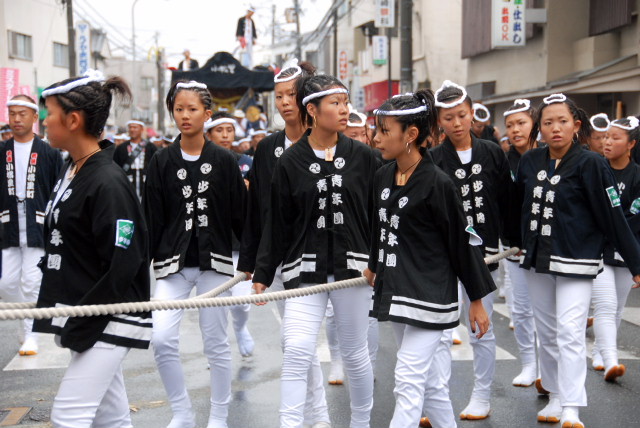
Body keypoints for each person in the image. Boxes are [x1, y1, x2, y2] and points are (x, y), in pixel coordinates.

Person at [252, 74, 377, 428]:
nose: (344, 109)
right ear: (312, 110)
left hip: (354, 271)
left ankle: (361, 423)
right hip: (303, 272)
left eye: (345, 102)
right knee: (296, 349)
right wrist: (263, 272)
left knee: (355, 354)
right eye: (335, 103)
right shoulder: (290, 162)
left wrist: (378, 262)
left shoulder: (364, 158)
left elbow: (378, 215)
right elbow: (277, 222)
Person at [365, 89, 494, 428]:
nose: (376, 139)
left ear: (410, 135)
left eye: (384, 131)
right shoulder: (382, 176)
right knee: (433, 384)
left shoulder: (438, 183)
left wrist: (476, 300)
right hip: (396, 289)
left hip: (431, 295)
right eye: (377, 130)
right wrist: (373, 266)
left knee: (407, 378)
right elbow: (379, 228)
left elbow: (461, 243)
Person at [514, 93, 640, 428]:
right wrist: (514, 243)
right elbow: (516, 207)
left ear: (576, 125)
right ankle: (555, 395)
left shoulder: (592, 163)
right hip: (537, 260)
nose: (555, 128)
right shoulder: (530, 161)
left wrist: (636, 263)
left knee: (570, 332)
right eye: (548, 123)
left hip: (577, 262)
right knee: (547, 333)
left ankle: (571, 406)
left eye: (563, 121)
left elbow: (613, 216)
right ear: (540, 129)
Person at [33, 70, 151, 428]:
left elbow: (124, 262)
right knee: (111, 419)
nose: (44, 121)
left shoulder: (107, 182)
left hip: (109, 313)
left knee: (68, 416)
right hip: (86, 311)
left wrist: (83, 323)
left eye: (49, 113)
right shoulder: (73, 168)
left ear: (73, 120)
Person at [144, 80, 246, 428]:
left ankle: (219, 414)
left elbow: (241, 216)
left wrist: (253, 265)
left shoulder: (224, 160)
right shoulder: (161, 160)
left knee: (215, 342)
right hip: (171, 265)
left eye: (192, 109)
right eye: (178, 109)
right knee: (161, 338)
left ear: (207, 113)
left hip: (214, 265)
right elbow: (151, 218)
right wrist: (137, 269)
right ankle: (182, 412)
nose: (184, 116)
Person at [238, 58, 332, 428]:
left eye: (290, 95)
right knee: (295, 342)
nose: (284, 102)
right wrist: (252, 265)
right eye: (278, 96)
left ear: (306, 97)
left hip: (319, 257)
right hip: (277, 259)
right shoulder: (267, 149)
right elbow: (257, 210)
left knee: (303, 342)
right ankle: (317, 416)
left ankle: (318, 415)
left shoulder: (326, 142)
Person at [429, 80, 516, 420]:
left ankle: (482, 395)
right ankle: (437, 400)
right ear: (439, 121)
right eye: (448, 118)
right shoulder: (433, 158)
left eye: (462, 115)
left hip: (485, 253)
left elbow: (507, 202)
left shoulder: (492, 152)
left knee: (482, 327)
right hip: (444, 255)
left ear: (472, 114)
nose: (456, 123)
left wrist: (513, 240)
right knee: (439, 331)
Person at [0, 94, 63, 356]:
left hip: (38, 226)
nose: (16, 119)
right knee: (6, 284)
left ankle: (31, 335)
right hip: (8, 226)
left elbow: (59, 191)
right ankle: (24, 319)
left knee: (31, 282)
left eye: (22, 114)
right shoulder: (2, 151)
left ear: (35, 117)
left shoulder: (49, 152)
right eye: (12, 113)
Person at [591, 116, 640, 381]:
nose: (607, 142)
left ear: (631, 144)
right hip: (597, 249)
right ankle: (609, 358)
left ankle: (600, 350)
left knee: (618, 307)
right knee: (606, 304)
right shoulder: (595, 168)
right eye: (606, 137)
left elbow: (634, 219)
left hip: (625, 251)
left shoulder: (637, 176)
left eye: (615, 138)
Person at [502, 98, 538, 387]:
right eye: (510, 125)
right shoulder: (503, 161)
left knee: (548, 313)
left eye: (521, 123)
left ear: (534, 124)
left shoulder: (550, 157)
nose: (515, 130)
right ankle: (528, 363)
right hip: (515, 246)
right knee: (521, 308)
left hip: (548, 246)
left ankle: (548, 369)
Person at [113, 119, 157, 200]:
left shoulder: (151, 147)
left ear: (142, 129)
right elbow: (116, 168)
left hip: (146, 187)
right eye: (130, 127)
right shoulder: (121, 148)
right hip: (127, 187)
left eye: (135, 127)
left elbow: (156, 168)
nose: (132, 129)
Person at [206, 112, 253, 180]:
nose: (225, 135)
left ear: (234, 134)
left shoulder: (245, 162)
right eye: (219, 130)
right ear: (208, 135)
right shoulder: (200, 162)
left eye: (229, 130)